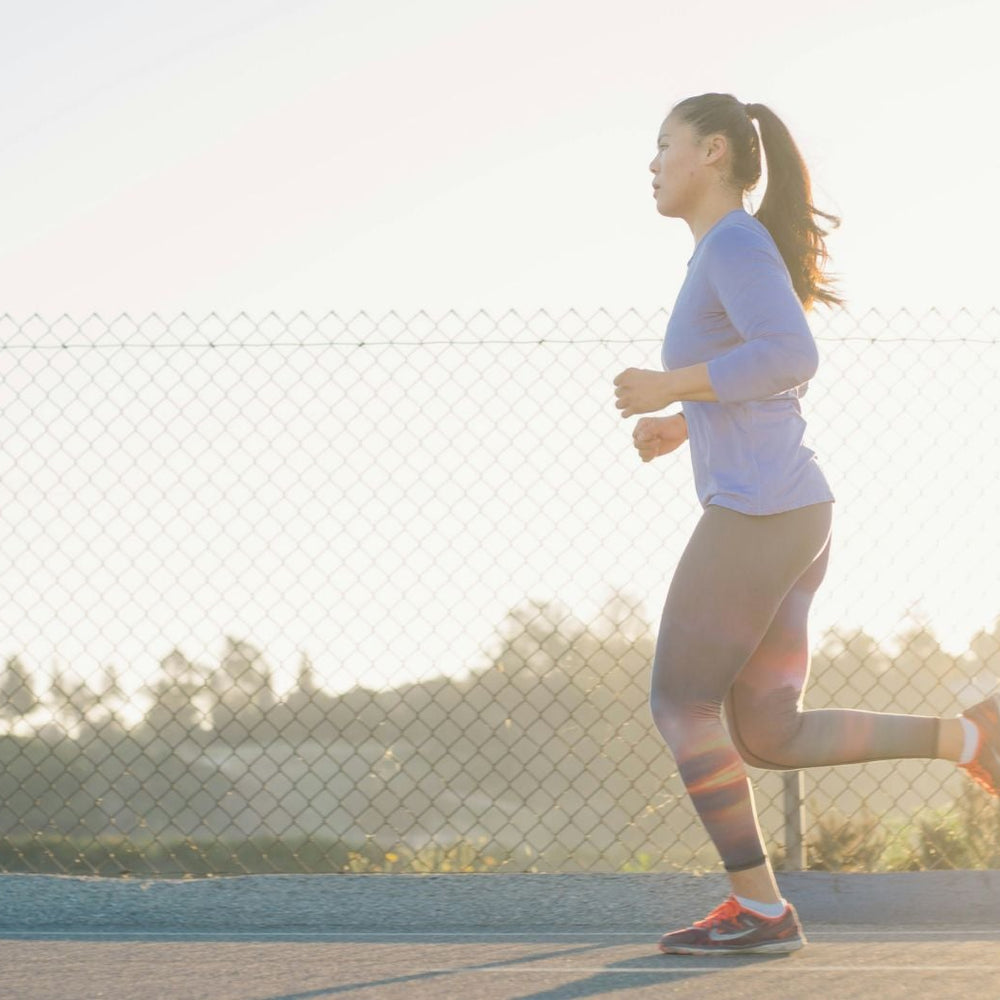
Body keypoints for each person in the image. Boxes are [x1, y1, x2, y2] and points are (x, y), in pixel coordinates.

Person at [612, 91, 1000, 956]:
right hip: (791, 510)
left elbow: (792, 355)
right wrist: (687, 425)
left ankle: (758, 911)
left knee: (681, 702)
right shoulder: (723, 250)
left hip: (762, 513)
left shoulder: (734, 244)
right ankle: (976, 735)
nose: (651, 163)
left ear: (712, 152)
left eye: (663, 144)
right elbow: (760, 374)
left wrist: (672, 387)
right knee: (768, 732)